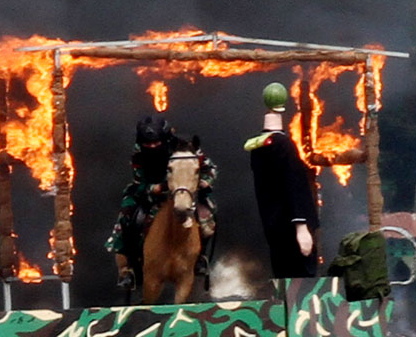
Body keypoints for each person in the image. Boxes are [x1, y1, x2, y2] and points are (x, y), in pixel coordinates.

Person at [104, 116, 218, 292]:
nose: (151, 147)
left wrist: (204, 181)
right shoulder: (138, 152)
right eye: (147, 144)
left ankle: (200, 258)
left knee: (208, 217)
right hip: (152, 193)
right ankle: (128, 268)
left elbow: (209, 169)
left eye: (156, 144)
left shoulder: (185, 147)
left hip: (186, 192)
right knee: (127, 217)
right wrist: (152, 189)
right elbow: (138, 179)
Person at [246, 83, 320, 278]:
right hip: (289, 230)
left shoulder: (257, 148)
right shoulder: (284, 146)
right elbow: (294, 186)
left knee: (282, 277)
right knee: (301, 281)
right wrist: (301, 227)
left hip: (272, 227)